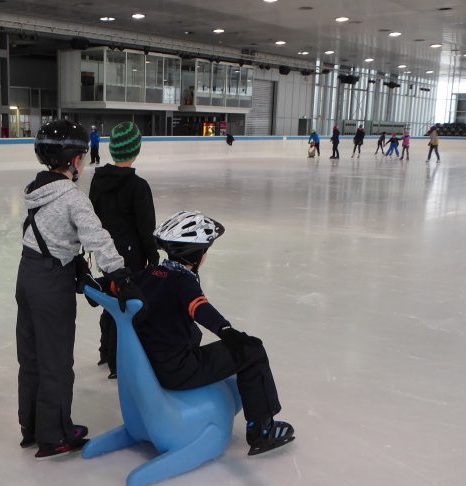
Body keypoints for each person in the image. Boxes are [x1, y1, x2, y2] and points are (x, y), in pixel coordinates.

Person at [16, 119, 142, 459]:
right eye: (83, 157)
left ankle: (31, 427)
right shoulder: (72, 197)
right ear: (74, 161)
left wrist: (77, 265)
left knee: (31, 358)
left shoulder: (36, 190)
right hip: (49, 284)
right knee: (55, 360)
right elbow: (98, 239)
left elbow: (46, 235)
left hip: (26, 275)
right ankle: (54, 434)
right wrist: (121, 275)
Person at [129, 211, 295, 456]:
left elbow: (115, 286)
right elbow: (199, 307)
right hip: (178, 370)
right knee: (252, 350)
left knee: (230, 347)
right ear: (197, 255)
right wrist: (226, 331)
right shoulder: (183, 281)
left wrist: (91, 281)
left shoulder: (148, 274)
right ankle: (263, 430)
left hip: (153, 364)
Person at [88, 122, 159, 379]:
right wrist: (153, 257)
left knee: (110, 301)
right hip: (132, 258)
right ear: (135, 150)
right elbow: (145, 227)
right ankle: (120, 362)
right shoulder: (138, 186)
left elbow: (92, 217)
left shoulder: (98, 180)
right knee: (127, 307)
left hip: (106, 255)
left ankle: (106, 352)